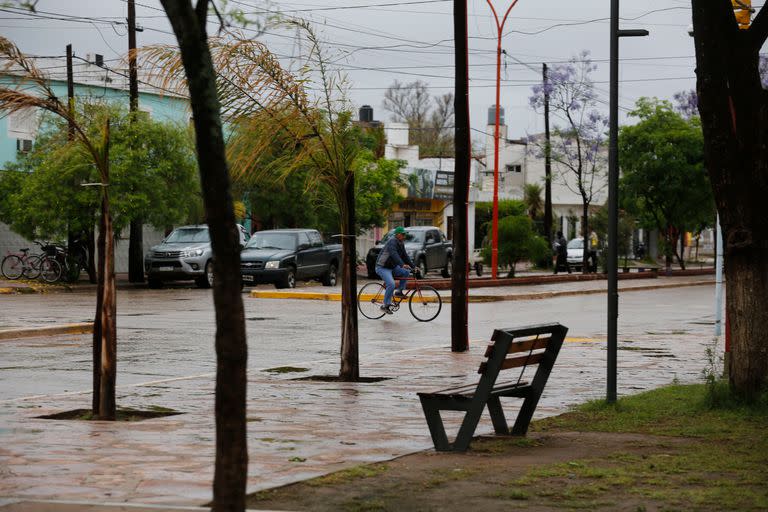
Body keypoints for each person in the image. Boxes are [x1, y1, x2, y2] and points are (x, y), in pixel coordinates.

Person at [375, 226, 414, 314]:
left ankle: (399, 291)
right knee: (391, 284)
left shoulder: (401, 243)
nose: (404, 236)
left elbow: (405, 256)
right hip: (382, 267)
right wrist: (402, 264)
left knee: (406, 272)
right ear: (397, 234)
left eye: (405, 234)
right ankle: (385, 305)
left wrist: (414, 267)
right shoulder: (392, 242)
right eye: (403, 234)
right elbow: (394, 254)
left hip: (392, 267)